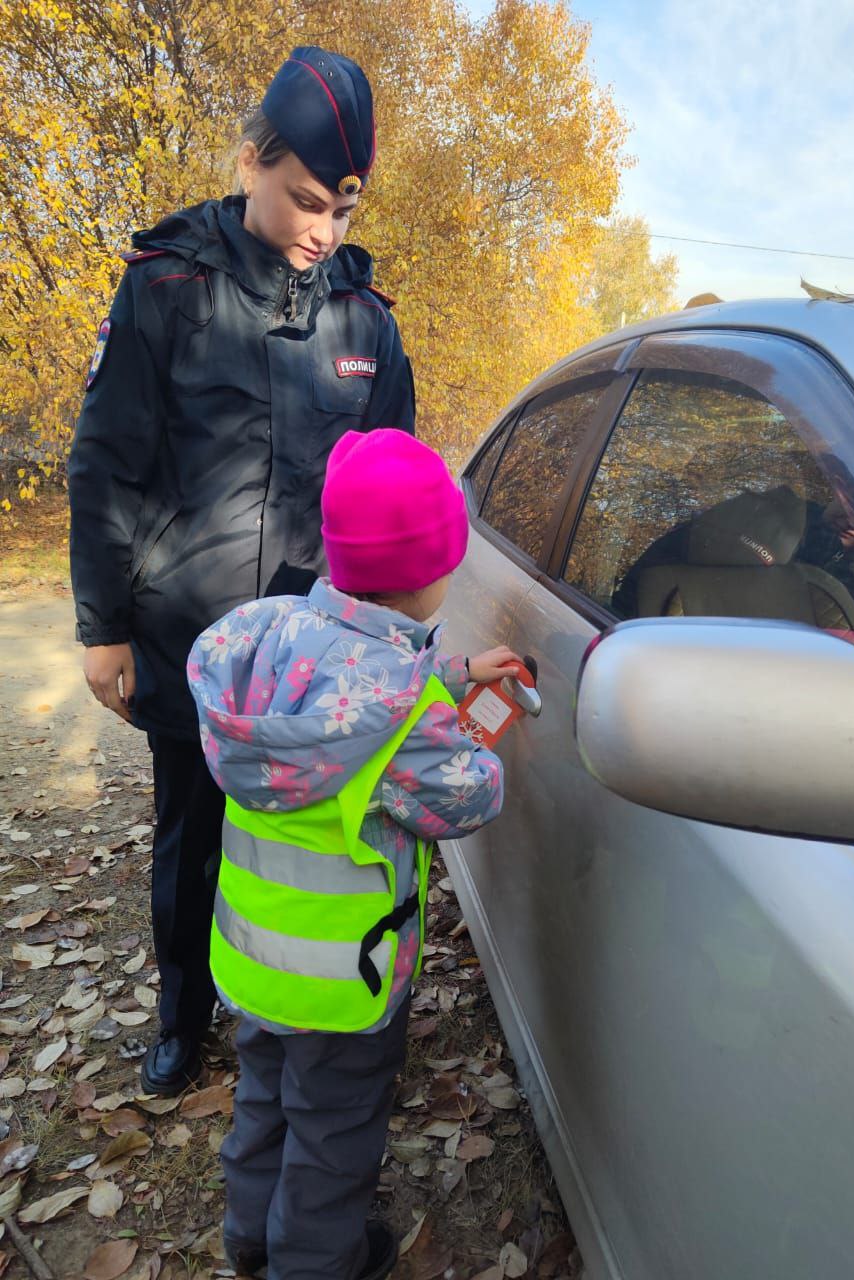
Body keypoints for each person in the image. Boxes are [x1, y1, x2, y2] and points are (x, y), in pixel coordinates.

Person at [68, 47, 416, 1095]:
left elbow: (392, 481)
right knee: (193, 828)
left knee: (304, 837)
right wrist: (102, 626)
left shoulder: (363, 319)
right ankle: (183, 1008)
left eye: (342, 212)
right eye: (305, 200)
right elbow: (106, 461)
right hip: (189, 634)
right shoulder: (169, 288)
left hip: (316, 653)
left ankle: (295, 1003)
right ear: (250, 160)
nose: (323, 230)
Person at [187, 429, 520, 1280]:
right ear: (436, 567)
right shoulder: (403, 715)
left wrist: (443, 672)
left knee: (263, 1101)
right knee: (335, 1129)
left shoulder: (267, 634)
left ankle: (250, 1239)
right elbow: (470, 796)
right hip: (346, 978)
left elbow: (344, 687)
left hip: (255, 959)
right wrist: (464, 726)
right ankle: (316, 1262)